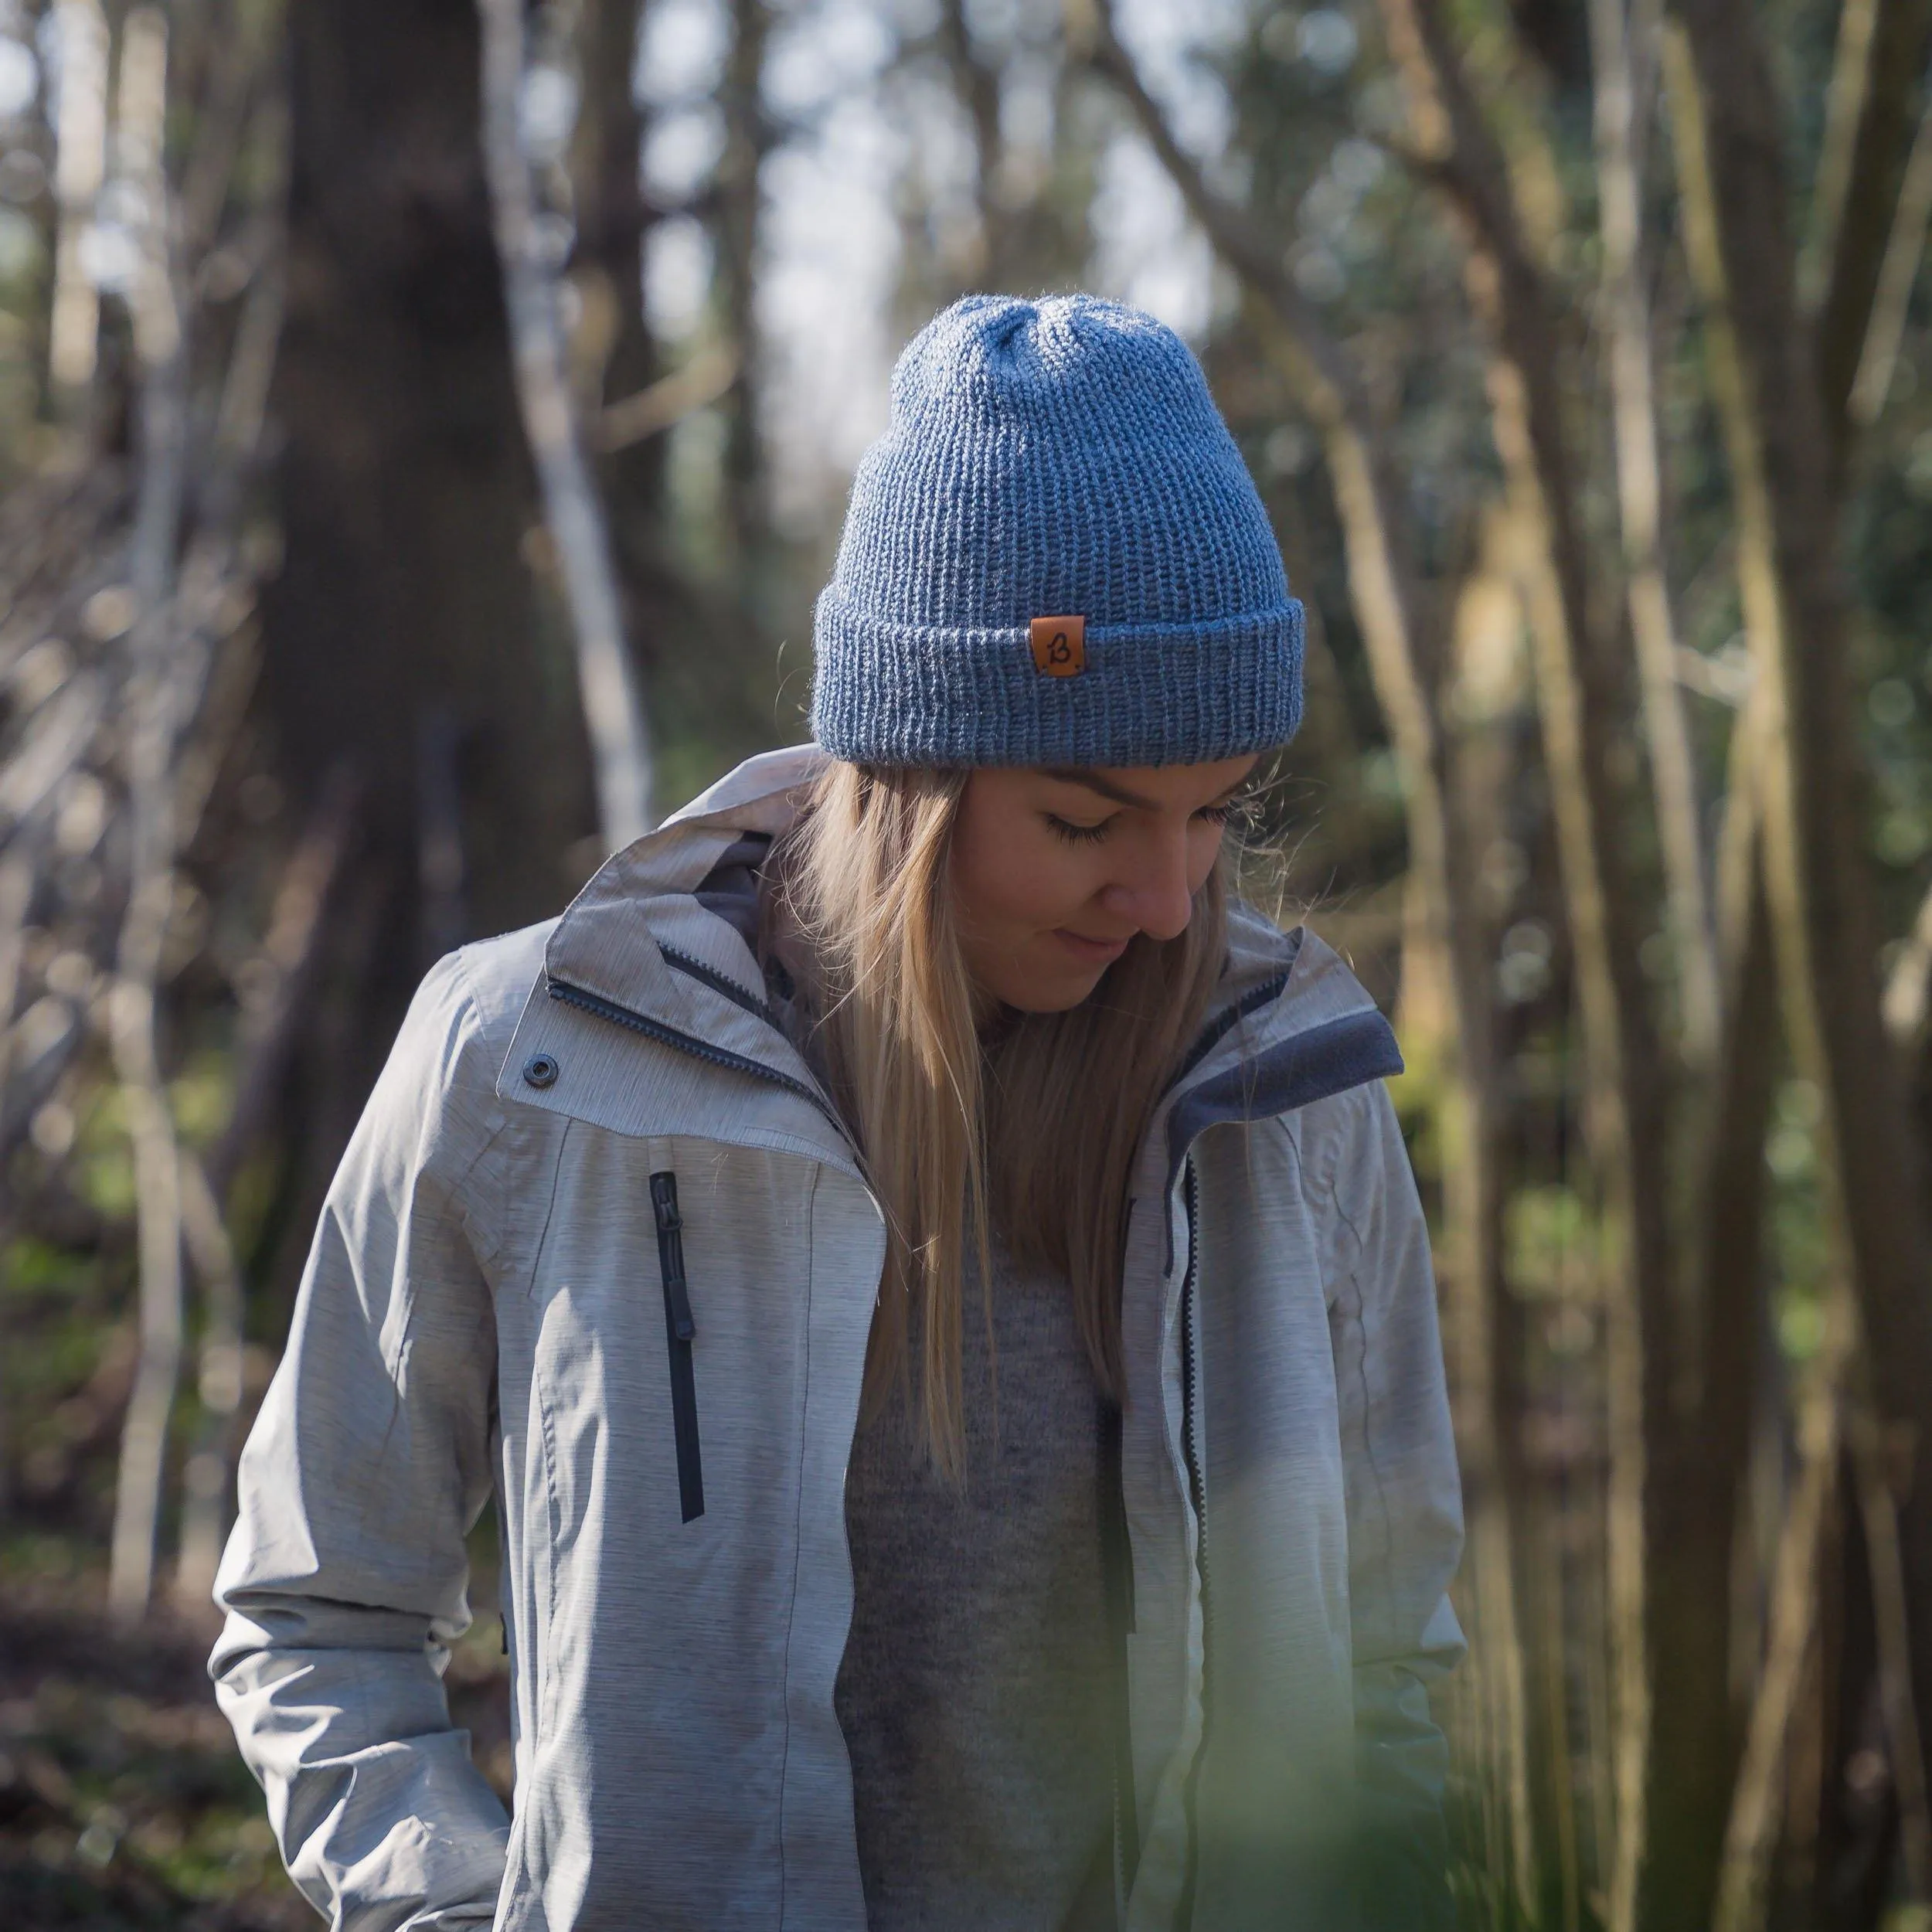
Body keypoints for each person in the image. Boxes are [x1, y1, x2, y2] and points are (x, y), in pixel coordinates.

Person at [210, 294, 1464, 1932]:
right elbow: (317, 1608)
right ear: (911, 773)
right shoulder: (535, 1057)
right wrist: (447, 1908)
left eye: (1213, 814)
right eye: (1086, 817)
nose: (1165, 898)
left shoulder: (1283, 1091)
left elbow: (1393, 1667)